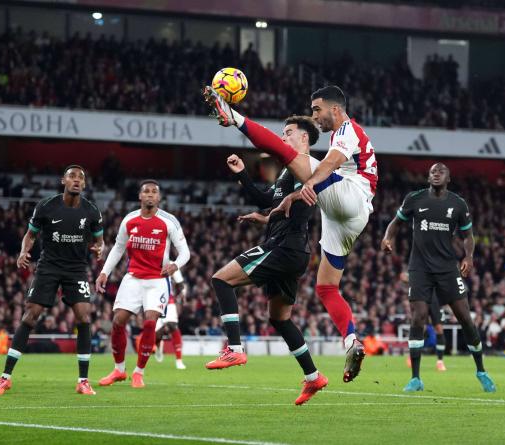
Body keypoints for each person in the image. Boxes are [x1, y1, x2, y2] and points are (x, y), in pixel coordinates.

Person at [204, 85, 378, 383]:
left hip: (352, 195)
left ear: (335, 109)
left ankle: (233, 116)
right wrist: (289, 198)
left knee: (286, 155)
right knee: (326, 287)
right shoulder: (338, 136)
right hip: (345, 219)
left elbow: (331, 163)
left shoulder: (347, 129)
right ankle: (351, 342)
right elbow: (273, 197)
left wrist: (306, 188)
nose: (315, 115)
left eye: (317, 109)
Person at [205, 115, 327, 405]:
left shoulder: (307, 166)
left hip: (284, 246)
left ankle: (234, 347)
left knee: (221, 279)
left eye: (288, 133)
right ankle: (313, 377)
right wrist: (242, 173)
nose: (283, 138)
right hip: (292, 249)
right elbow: (265, 199)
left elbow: (309, 193)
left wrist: (285, 205)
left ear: (304, 139)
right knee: (279, 318)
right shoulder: (288, 172)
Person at [0, 165, 104, 396]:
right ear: (63, 180)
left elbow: (100, 241)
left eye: (80, 178)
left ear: (84, 184)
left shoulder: (92, 211)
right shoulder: (46, 206)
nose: (76, 180)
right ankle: (5, 378)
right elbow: (30, 235)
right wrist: (23, 252)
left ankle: (83, 381)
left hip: (76, 269)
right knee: (30, 316)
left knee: (84, 317)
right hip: (49, 267)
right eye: (72, 176)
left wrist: (99, 248)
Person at [381, 163, 496, 392]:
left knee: (465, 317)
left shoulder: (458, 204)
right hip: (420, 268)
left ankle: (481, 371)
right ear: (428, 176)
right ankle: (415, 378)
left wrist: (469, 256)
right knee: (418, 317)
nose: (435, 174)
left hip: (447, 268)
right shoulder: (414, 198)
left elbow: (468, 235)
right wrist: (387, 238)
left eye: (440, 172)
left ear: (448, 178)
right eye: (432, 171)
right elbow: (396, 223)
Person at [95, 180, 190, 388]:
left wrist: (174, 265)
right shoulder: (129, 220)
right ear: (140, 196)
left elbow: (185, 253)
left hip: (157, 281)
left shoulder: (169, 221)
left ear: (159, 198)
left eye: (154, 192)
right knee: (118, 321)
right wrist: (104, 272)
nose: (149, 195)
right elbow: (118, 248)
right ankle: (119, 370)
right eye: (146, 191)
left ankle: (139, 372)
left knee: (149, 322)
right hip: (133, 279)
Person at [153, 267, 187, 369]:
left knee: (173, 325)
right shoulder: (149, 260)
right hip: (153, 300)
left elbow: (180, 283)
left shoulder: (171, 264)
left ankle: (179, 360)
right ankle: (158, 345)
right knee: (156, 333)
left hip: (169, 300)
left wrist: (182, 296)